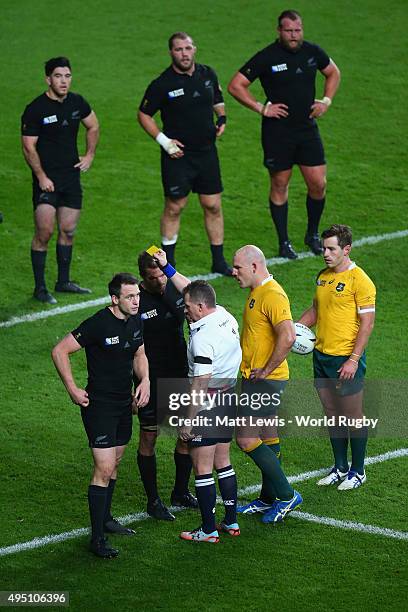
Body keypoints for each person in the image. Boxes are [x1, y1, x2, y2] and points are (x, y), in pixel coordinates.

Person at [228, 10, 341, 260]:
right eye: (289, 31)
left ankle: (312, 234)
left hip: (307, 129)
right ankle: (284, 242)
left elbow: (333, 72)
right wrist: (261, 107)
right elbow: (236, 85)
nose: (294, 35)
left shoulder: (313, 52)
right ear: (279, 31)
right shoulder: (267, 56)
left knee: (318, 184)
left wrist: (326, 100)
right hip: (278, 132)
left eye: (298, 30)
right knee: (280, 184)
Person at [51, 273, 150, 558]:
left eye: (138, 296)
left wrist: (145, 381)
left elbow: (139, 353)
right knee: (104, 468)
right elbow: (60, 351)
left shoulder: (136, 320)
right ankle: (96, 539)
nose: (136, 301)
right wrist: (72, 388)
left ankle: (106, 519)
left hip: (124, 404)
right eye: (130, 297)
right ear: (114, 299)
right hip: (99, 407)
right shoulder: (98, 324)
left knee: (115, 462)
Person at [153, 250, 242, 543]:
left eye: (188, 307)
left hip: (208, 404)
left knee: (202, 468)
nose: (184, 310)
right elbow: (191, 288)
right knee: (224, 462)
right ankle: (230, 522)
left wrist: (188, 423)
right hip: (229, 398)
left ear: (201, 307)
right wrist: (168, 269)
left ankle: (207, 530)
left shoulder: (203, 339)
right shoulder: (223, 314)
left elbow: (200, 384)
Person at [138, 32, 232, 276]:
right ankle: (168, 264)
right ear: (171, 52)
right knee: (174, 207)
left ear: (194, 49)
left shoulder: (208, 74)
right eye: (179, 49)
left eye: (188, 48)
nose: (184, 53)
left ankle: (218, 261)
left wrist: (221, 116)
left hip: (207, 153)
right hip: (178, 157)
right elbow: (144, 114)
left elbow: (218, 99)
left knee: (212, 205)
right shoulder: (162, 84)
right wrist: (164, 141)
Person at [298, 224, 376, 489]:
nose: (326, 253)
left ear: (346, 249)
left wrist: (353, 359)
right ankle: (340, 467)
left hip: (345, 359)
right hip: (321, 356)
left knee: (353, 416)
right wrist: (295, 331)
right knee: (332, 413)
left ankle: (359, 470)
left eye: (331, 249)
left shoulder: (360, 281)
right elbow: (316, 311)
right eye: (324, 248)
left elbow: (367, 324)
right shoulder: (323, 276)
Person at [232, 245, 302, 523]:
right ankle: (267, 499)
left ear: (254, 266)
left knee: (246, 438)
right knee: (268, 435)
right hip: (256, 378)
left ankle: (287, 495)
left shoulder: (272, 294)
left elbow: (288, 336)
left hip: (266, 380)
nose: (233, 272)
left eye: (237, 267)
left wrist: (266, 369)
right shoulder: (256, 293)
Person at [22, 56, 100, 304]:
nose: (63, 81)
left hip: (70, 178)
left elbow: (93, 126)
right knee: (44, 232)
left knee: (68, 230)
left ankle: (63, 281)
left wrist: (89, 155)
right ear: (48, 79)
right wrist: (41, 177)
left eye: (67, 76)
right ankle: (40, 288)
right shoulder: (36, 109)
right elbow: (28, 147)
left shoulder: (77, 102)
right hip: (47, 181)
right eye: (58, 76)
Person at [136, 251, 197, 520]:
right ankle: (153, 501)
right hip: (150, 378)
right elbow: (130, 349)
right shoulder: (134, 302)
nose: (159, 282)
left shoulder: (174, 287)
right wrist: (136, 384)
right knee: (149, 436)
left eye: (162, 275)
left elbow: (199, 295)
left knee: (187, 433)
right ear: (143, 278)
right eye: (153, 278)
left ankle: (180, 491)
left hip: (180, 373)